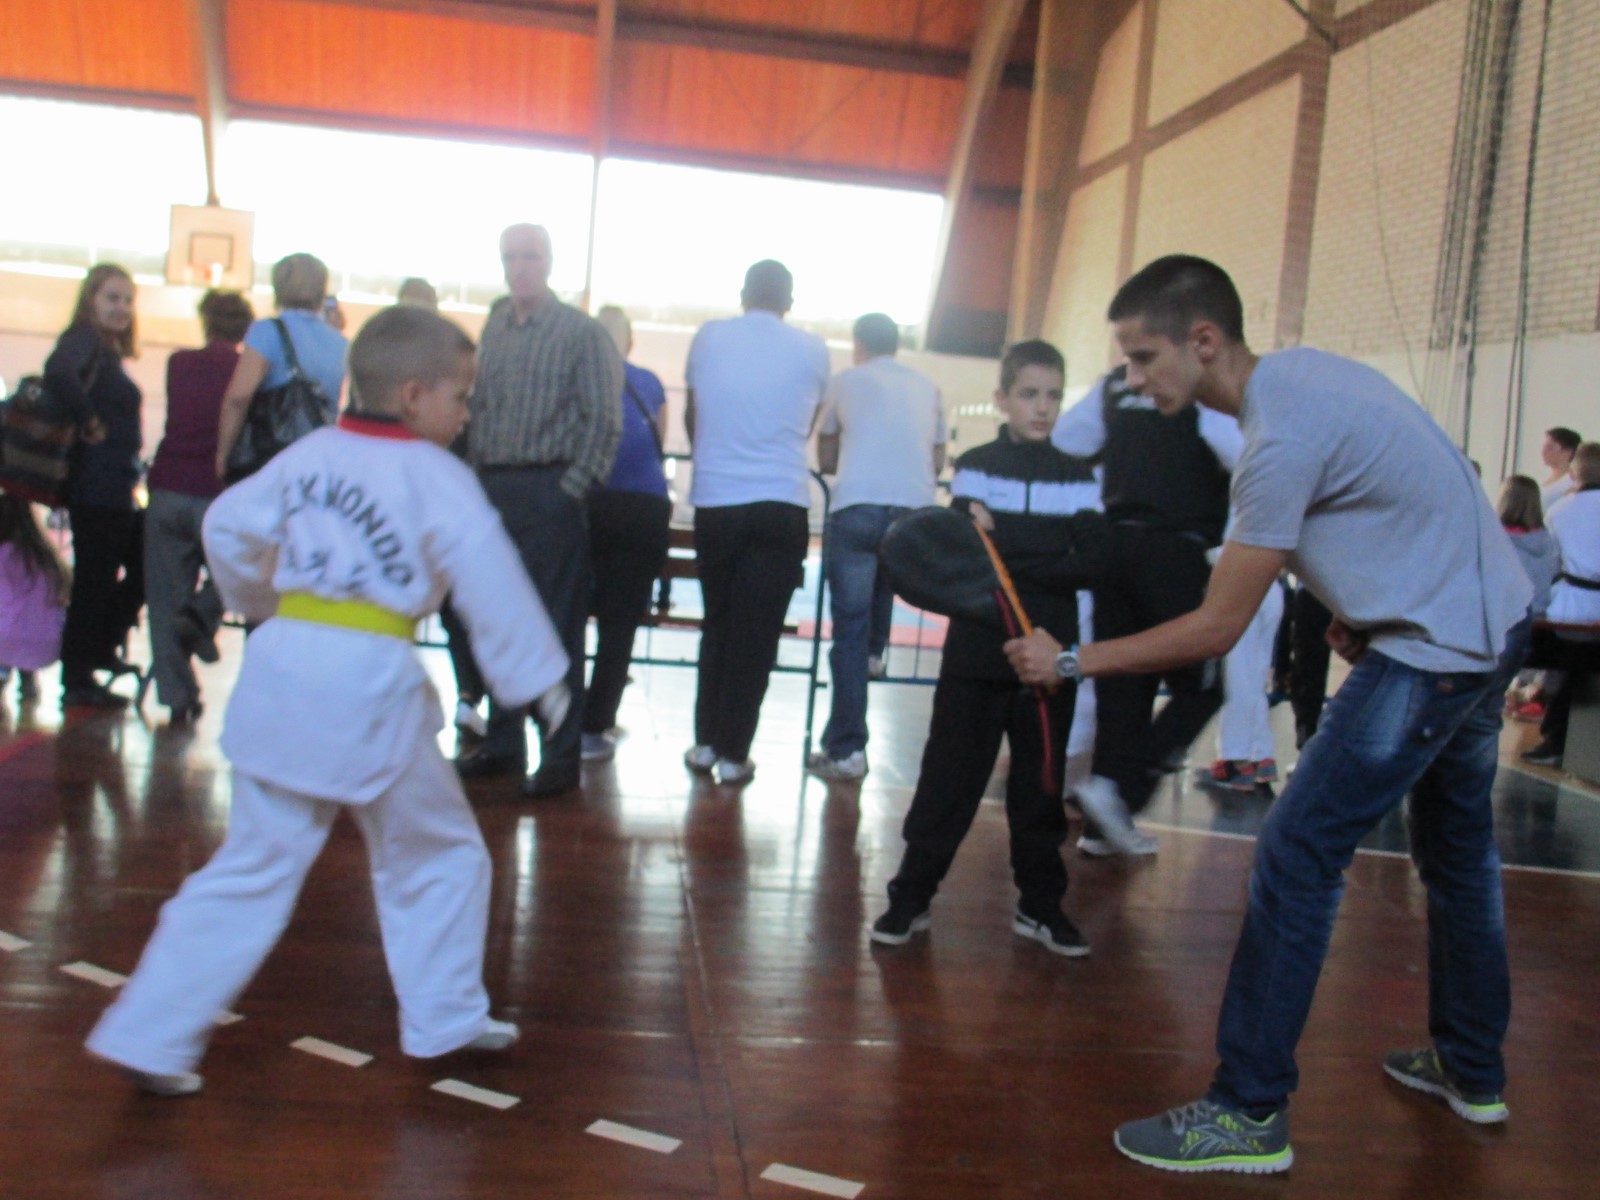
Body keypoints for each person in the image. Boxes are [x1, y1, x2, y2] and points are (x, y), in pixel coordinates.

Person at [1006, 256, 1531, 1173]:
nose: (1133, 380)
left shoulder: (1278, 437)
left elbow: (1215, 628)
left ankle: (1247, 1113)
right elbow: (1412, 490)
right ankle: (1471, 1067)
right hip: (1492, 626)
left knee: (1296, 854)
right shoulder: (1306, 381)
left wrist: (1070, 659)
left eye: (1141, 357)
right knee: (1457, 857)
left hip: (1437, 653)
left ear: (1202, 341)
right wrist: (1364, 604)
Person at [84, 305, 572, 1097]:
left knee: (251, 865)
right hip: (368, 686)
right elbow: (492, 584)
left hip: (285, 672)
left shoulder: (307, 456)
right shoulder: (439, 478)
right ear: (414, 397)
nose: (466, 413)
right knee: (437, 851)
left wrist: (263, 600)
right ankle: (445, 1015)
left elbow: (229, 526)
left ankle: (152, 1031)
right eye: (461, 398)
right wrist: (539, 684)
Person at [871, 339, 1095, 957]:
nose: (1042, 407)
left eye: (1053, 394)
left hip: (1049, 657)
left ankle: (1041, 906)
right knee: (948, 779)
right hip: (977, 653)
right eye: (1029, 394)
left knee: (1041, 789)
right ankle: (909, 896)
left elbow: (1091, 559)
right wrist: (1048, 552)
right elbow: (968, 556)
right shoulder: (975, 464)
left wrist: (1012, 550)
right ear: (1002, 398)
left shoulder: (1079, 476)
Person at [1050, 326, 1242, 856]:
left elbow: (1068, 442)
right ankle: (1122, 790)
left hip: (1114, 547)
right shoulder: (1198, 389)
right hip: (1173, 551)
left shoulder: (1112, 387)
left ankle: (1102, 826)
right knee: (1202, 685)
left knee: (1124, 680)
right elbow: (1240, 454)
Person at [456, 223, 622, 798]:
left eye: (530, 256)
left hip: (549, 489)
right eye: (511, 256)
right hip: (493, 488)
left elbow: (605, 421)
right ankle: (503, 744)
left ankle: (559, 756)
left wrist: (568, 491)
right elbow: (480, 408)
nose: (520, 266)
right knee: (497, 622)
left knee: (553, 627)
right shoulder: (496, 326)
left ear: (550, 262)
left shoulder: (582, 333)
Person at [683, 260, 830, 785]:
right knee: (757, 635)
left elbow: (693, 418)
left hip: (717, 500)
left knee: (718, 623)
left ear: (743, 294)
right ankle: (733, 753)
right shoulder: (814, 350)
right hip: (781, 501)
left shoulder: (708, 337)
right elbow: (807, 423)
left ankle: (703, 742)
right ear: (789, 301)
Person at [806, 312, 945, 782]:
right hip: (913, 513)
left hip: (857, 505)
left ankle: (847, 749)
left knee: (847, 628)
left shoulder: (846, 381)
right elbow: (938, 456)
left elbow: (824, 453)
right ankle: (877, 651)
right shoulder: (927, 387)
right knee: (888, 566)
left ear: (859, 343)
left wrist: (846, 458)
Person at [143, 290, 255, 724]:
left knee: (164, 597)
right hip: (218, 492)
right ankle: (203, 613)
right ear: (246, 328)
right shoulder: (247, 372)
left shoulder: (178, 363)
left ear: (205, 321)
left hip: (169, 485)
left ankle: (177, 698)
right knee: (236, 570)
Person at [47, 263, 145, 709]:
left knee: (124, 568)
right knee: (95, 579)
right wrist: (89, 420)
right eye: (112, 298)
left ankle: (93, 655)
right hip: (97, 485)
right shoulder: (84, 339)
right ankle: (80, 673)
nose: (121, 308)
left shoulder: (105, 349)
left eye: (127, 300)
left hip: (111, 483)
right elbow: (58, 372)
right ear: (91, 300)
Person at [580, 305, 672, 762]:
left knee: (571, 612)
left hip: (590, 502)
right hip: (644, 508)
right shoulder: (649, 383)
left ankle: (561, 714)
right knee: (621, 623)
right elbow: (659, 443)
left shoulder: (578, 380)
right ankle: (596, 725)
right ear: (629, 342)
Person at [214, 252, 348, 479]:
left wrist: (223, 454)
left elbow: (238, 398)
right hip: (316, 459)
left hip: (272, 460)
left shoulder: (266, 331)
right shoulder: (341, 342)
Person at [1521, 443, 1600, 767]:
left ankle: (1552, 731)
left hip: (1568, 606)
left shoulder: (1559, 511)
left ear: (1573, 473)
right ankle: (1556, 731)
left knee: (1559, 661)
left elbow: (1549, 562)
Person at [1199, 574, 1285, 791]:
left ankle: (1236, 762)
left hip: (1237, 587)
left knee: (1237, 677)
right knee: (1256, 678)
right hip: (1270, 585)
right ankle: (1261, 756)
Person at [0, 494, 70, 704]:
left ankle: (3, 674)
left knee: (10, 625)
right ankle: (27, 678)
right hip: (49, 646)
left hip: (7, 643)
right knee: (26, 617)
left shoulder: (3, 554)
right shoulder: (47, 556)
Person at [1539, 426, 1581, 512]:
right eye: (1544, 447)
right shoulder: (1545, 482)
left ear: (1568, 451)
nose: (1543, 451)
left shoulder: (1573, 482)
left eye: (1550, 447)